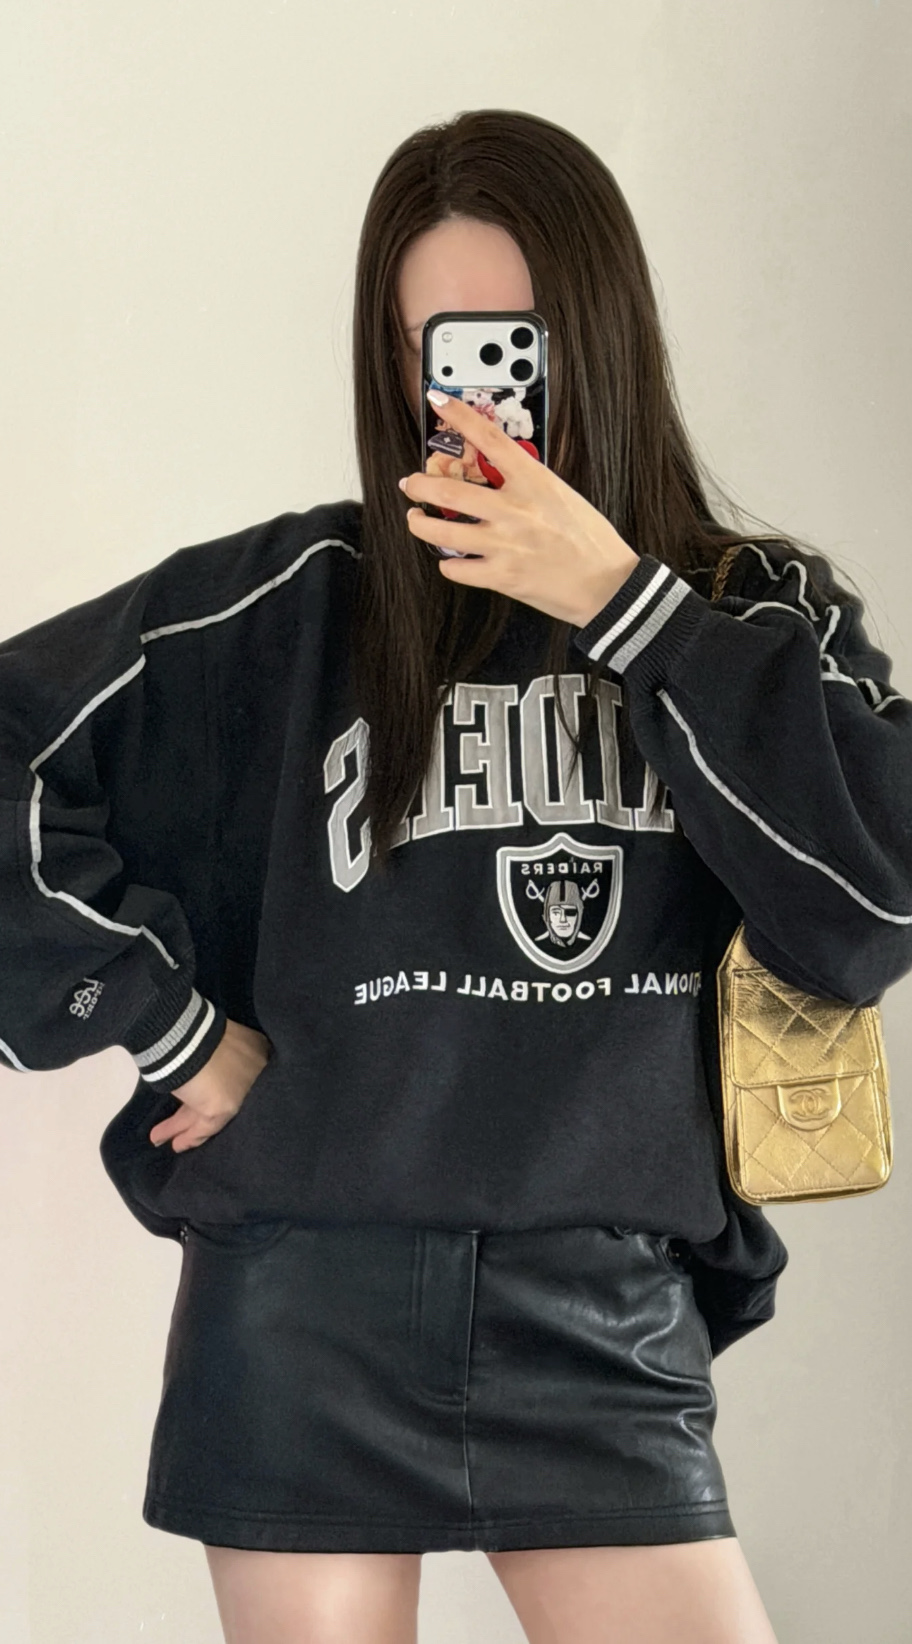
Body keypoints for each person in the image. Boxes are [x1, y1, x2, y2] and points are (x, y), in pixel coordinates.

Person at [1, 107, 910, 1644]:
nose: (484, 393)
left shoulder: (746, 613)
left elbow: (872, 902)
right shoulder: (292, 607)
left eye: (520, 341)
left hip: (605, 1314)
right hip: (304, 1301)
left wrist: (625, 604)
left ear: (600, 333)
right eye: (445, 349)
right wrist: (163, 1023)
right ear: (396, 360)